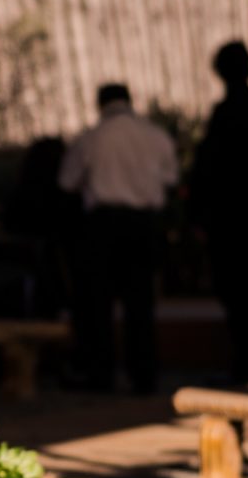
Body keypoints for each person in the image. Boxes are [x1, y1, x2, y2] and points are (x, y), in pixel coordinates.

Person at [59, 82, 180, 393]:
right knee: (141, 302)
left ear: (100, 103)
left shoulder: (91, 138)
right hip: (143, 225)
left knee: (98, 303)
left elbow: (67, 182)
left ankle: (102, 375)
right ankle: (144, 376)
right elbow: (171, 178)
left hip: (103, 226)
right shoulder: (155, 136)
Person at [190, 40, 248, 383]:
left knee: (237, 291)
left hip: (230, 218)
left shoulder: (226, 113)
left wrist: (199, 215)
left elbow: (208, 169)